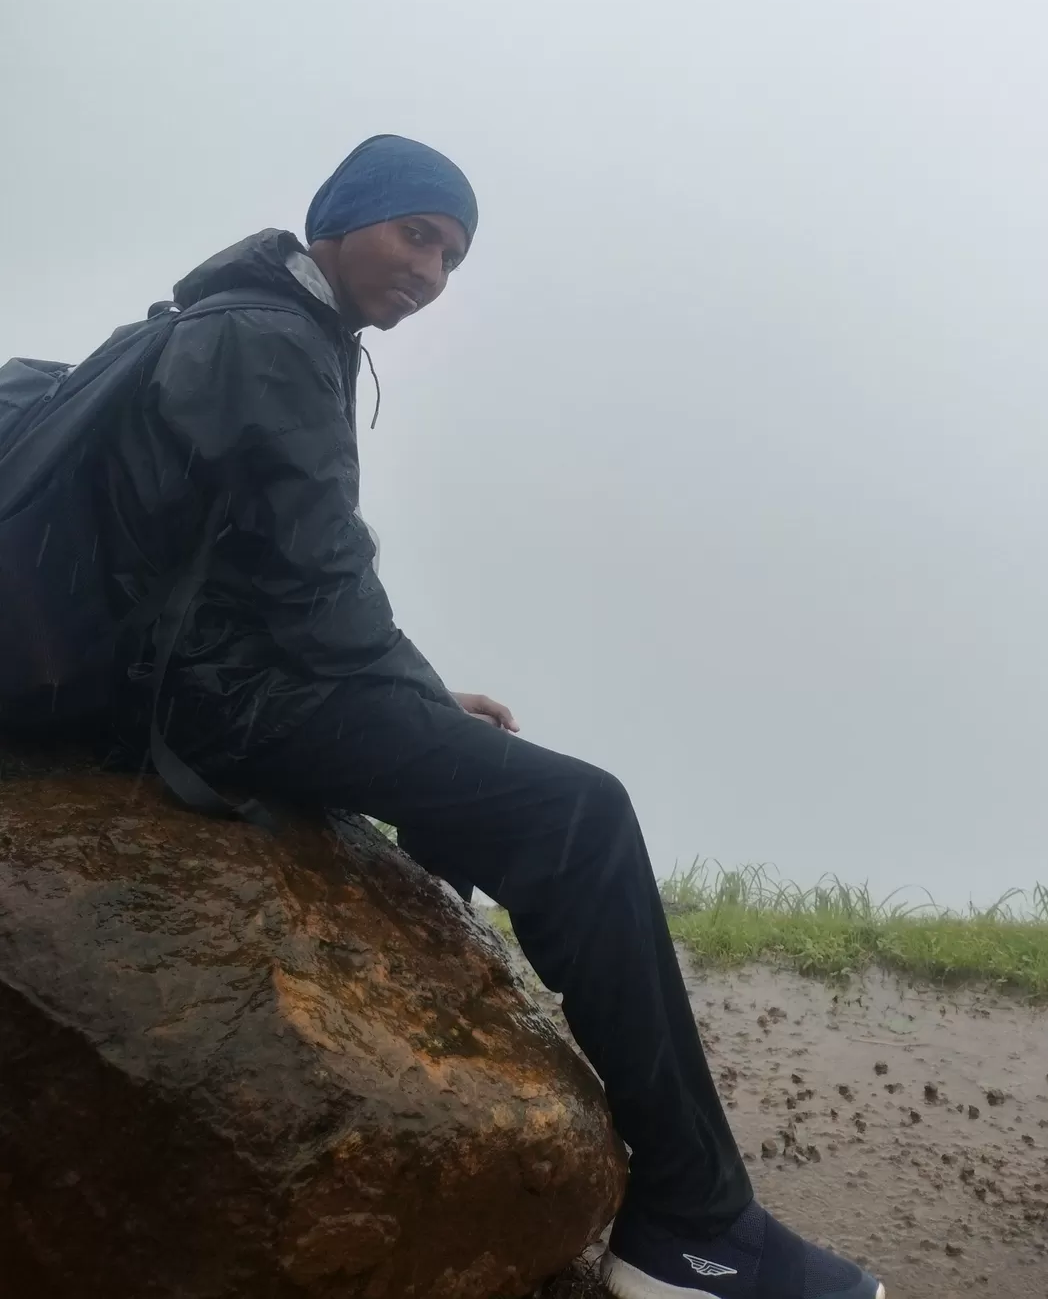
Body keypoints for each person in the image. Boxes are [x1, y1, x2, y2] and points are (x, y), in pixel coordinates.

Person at [94, 134, 884, 1299]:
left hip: (202, 678)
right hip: (216, 705)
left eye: (453, 257)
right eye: (418, 234)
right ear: (344, 217)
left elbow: (267, 577)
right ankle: (695, 1229)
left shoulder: (252, 320)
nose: (432, 273)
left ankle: (442, 1047)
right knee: (582, 816)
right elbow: (321, 593)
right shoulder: (270, 342)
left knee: (468, 771)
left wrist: (420, 708)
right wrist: (412, 705)